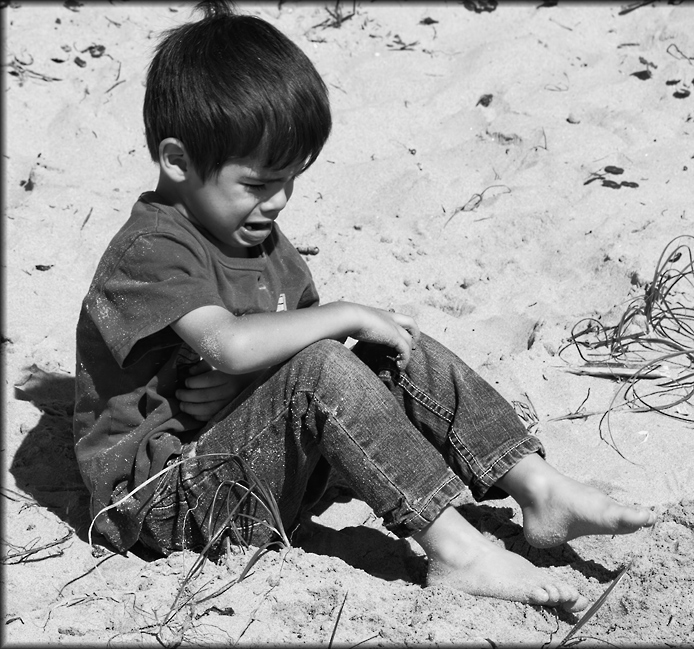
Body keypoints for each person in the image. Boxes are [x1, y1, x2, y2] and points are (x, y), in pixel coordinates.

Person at [73, 0, 655, 613]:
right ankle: (456, 549)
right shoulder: (152, 247)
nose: (277, 202)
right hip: (166, 503)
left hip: (254, 467)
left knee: (395, 345)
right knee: (331, 359)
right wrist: (339, 316)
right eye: (257, 183)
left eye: (290, 180)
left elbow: (274, 356)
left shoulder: (258, 238)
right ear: (177, 161)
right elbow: (231, 346)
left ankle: (538, 488)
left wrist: (257, 378)